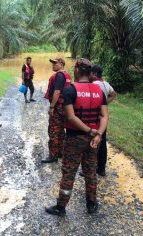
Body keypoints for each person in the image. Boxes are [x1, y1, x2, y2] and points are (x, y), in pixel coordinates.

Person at [45, 58, 109, 216]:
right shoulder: (99, 91)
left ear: (77, 71)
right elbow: (104, 116)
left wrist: (89, 131)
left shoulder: (70, 90)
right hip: (93, 140)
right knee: (90, 171)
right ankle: (91, 204)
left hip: (75, 138)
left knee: (68, 172)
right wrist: (98, 134)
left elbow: (71, 117)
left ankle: (61, 207)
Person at [42, 58, 72, 163]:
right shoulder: (67, 75)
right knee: (61, 131)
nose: (53, 65)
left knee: (53, 131)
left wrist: (52, 107)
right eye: (52, 63)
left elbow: (57, 92)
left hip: (58, 106)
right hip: (65, 107)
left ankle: (53, 156)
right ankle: (60, 153)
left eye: (55, 63)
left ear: (62, 64)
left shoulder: (59, 75)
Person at [89, 64, 116, 176]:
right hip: (103, 116)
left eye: (91, 73)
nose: (89, 75)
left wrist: (97, 105)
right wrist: (105, 103)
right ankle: (101, 169)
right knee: (103, 141)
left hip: (96, 116)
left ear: (94, 74)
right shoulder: (105, 83)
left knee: (93, 141)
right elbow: (114, 94)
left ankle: (91, 168)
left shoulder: (94, 84)